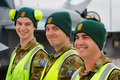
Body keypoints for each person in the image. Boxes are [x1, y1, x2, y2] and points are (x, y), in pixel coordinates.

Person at [6, 7, 49, 80]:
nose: (22, 28)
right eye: (19, 23)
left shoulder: (39, 55)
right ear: (15, 25)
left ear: (34, 26)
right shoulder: (15, 53)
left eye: (27, 24)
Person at [40, 12, 83, 80]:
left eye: (55, 29)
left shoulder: (72, 60)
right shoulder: (54, 58)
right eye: (47, 29)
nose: (50, 33)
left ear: (66, 31)